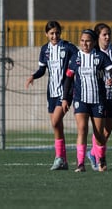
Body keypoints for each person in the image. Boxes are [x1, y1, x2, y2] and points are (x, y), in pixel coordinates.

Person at [62, 29, 112, 172]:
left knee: (99, 134)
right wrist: (64, 98)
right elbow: (68, 79)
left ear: (93, 42)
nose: (84, 44)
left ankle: (101, 159)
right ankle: (80, 164)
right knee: (82, 130)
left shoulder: (100, 56)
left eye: (87, 41)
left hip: (98, 100)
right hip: (80, 99)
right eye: (82, 41)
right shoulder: (75, 58)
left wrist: (111, 77)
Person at [25, 20, 78, 171]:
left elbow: (79, 60)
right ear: (46, 34)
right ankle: (64, 161)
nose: (54, 36)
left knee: (55, 122)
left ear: (60, 33)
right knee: (57, 127)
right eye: (51, 33)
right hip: (52, 93)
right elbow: (42, 70)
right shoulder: (44, 50)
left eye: (57, 33)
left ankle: (59, 157)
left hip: (65, 92)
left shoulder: (68, 47)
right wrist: (33, 76)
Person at [86, 23, 112, 171]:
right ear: (98, 37)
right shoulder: (93, 53)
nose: (108, 37)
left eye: (109, 34)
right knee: (98, 130)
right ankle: (99, 159)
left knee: (106, 132)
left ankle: (92, 153)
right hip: (97, 97)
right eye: (104, 34)